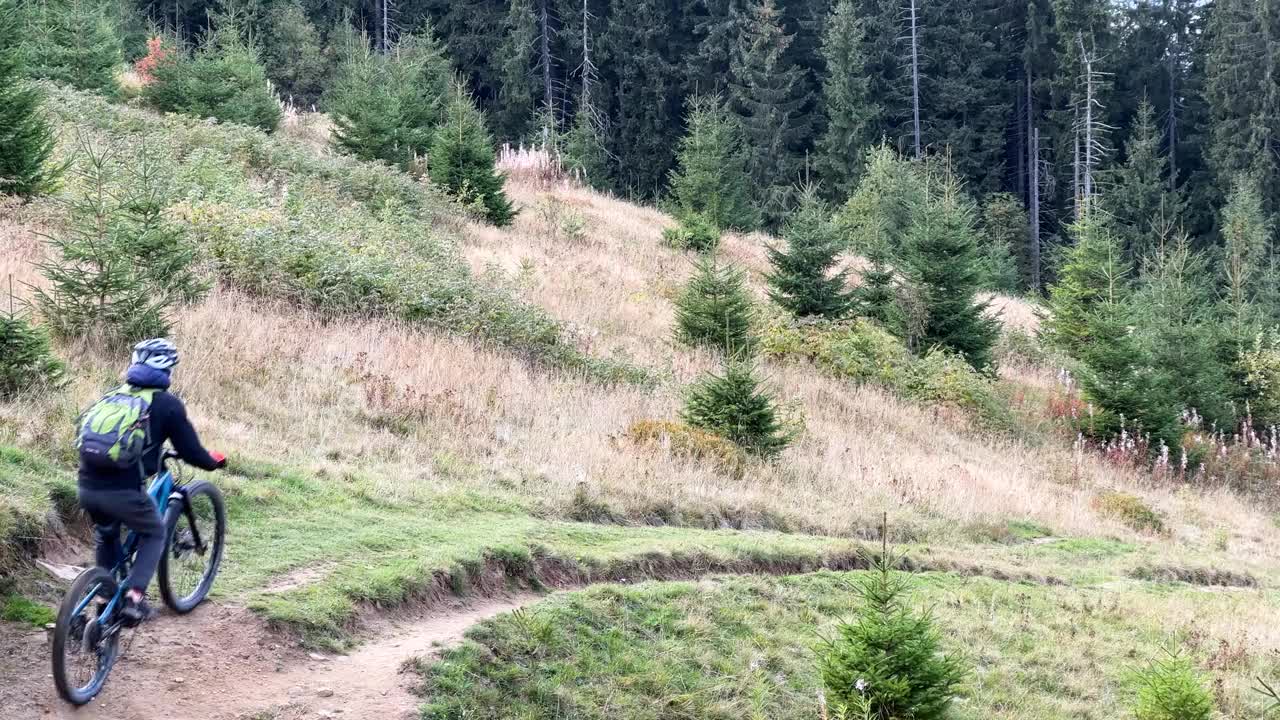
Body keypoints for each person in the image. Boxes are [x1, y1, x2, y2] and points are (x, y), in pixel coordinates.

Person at [76, 339, 226, 623]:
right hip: (123, 491)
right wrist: (213, 461)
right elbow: (191, 452)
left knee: (106, 534)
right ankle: (134, 599)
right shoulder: (167, 405)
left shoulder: (113, 396)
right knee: (155, 532)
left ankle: (104, 603)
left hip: (86, 485)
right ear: (167, 368)